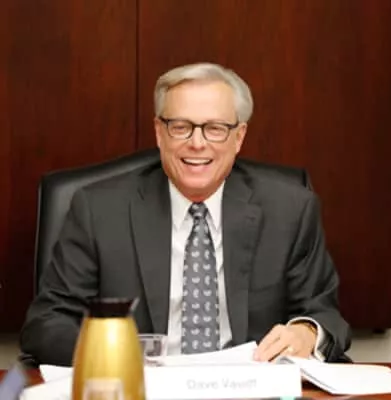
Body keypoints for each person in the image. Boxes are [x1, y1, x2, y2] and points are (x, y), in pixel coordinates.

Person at [20, 62, 351, 366]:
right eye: (180, 127)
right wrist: (116, 356)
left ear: (239, 137)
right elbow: (47, 322)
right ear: (159, 132)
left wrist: (307, 332)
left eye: (215, 128)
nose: (197, 143)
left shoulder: (289, 210)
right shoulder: (99, 210)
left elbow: (324, 314)